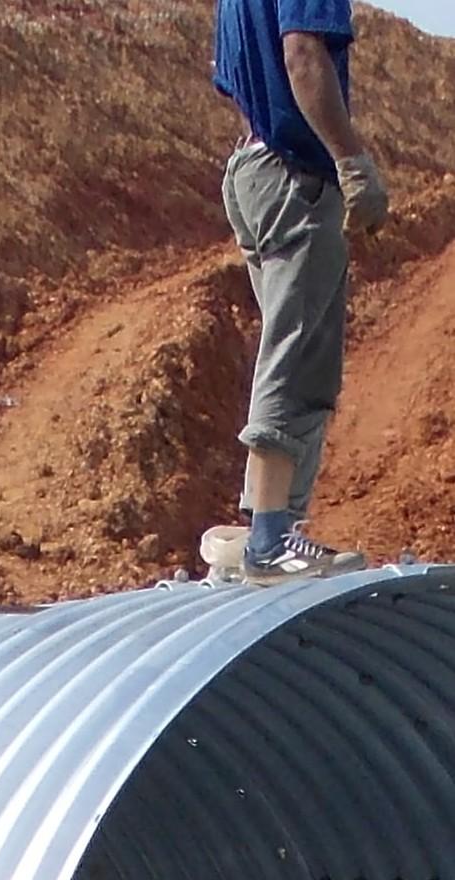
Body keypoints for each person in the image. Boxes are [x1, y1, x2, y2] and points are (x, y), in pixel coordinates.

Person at [214, 0, 388, 582]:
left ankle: (266, 527)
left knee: (287, 343)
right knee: (298, 354)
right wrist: (350, 159)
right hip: (295, 177)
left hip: (251, 167)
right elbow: (303, 54)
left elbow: (238, 72)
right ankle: (269, 537)